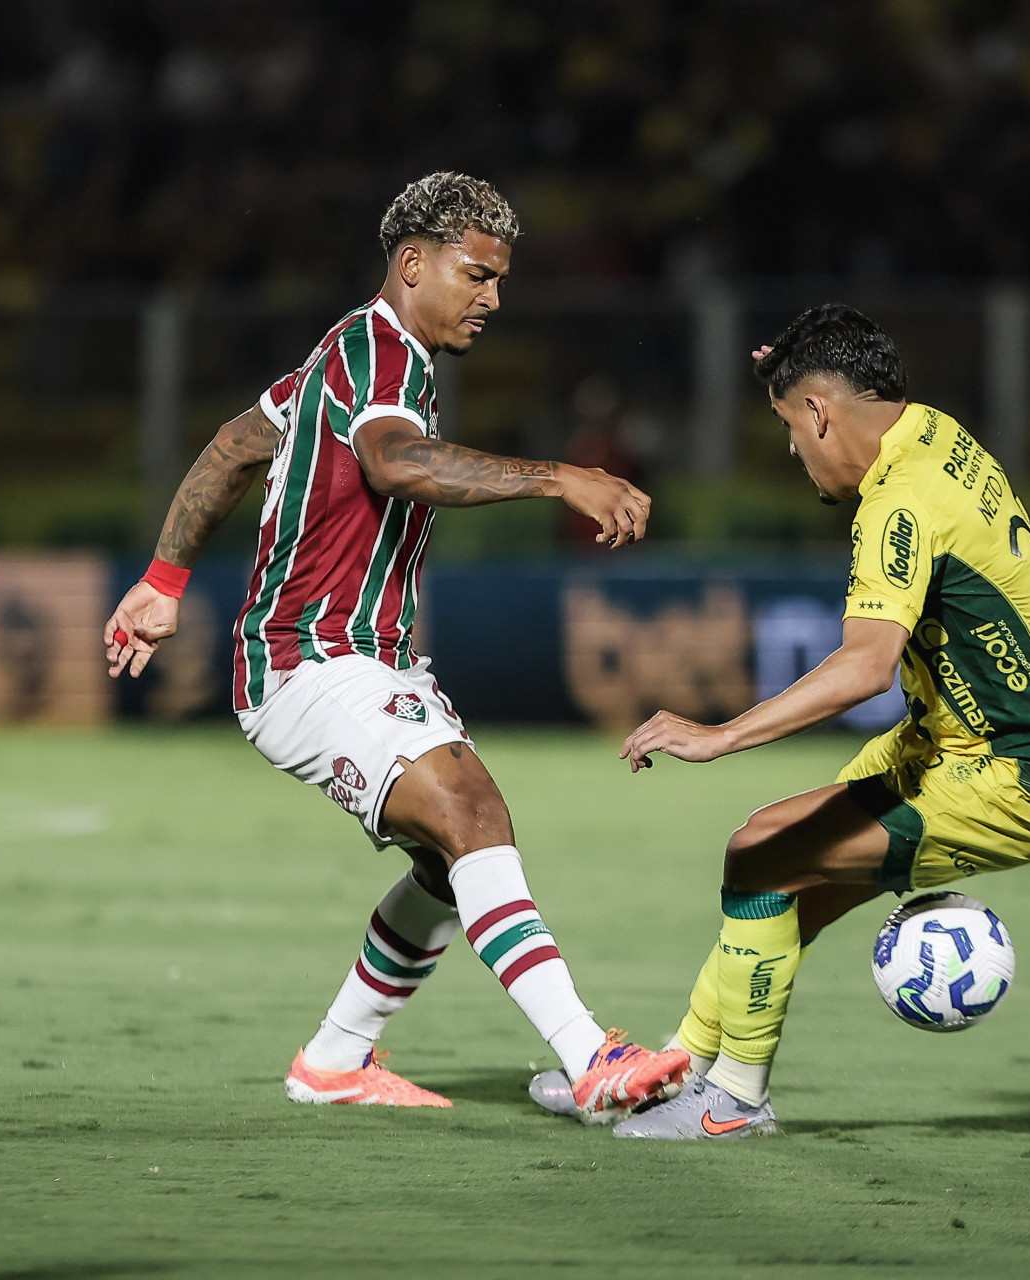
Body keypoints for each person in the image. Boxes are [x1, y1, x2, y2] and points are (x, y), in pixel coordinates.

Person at [102, 172, 688, 1124]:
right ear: (412, 264)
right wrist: (560, 476)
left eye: (500, 280)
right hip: (312, 656)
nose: (492, 298)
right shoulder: (380, 354)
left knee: (447, 863)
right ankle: (593, 1059)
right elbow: (394, 462)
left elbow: (233, 447)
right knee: (471, 810)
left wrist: (164, 581)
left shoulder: (343, 352)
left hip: (350, 658)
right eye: (476, 274)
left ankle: (336, 1060)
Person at [528, 304, 1030, 1137]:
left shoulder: (901, 502)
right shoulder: (932, 431)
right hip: (952, 738)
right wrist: (797, 360)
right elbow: (850, 367)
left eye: (790, 426)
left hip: (1023, 767)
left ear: (821, 411)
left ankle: (735, 1102)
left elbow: (866, 667)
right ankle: (671, 1075)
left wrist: (721, 735)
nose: (794, 450)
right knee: (785, 882)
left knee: (762, 852)